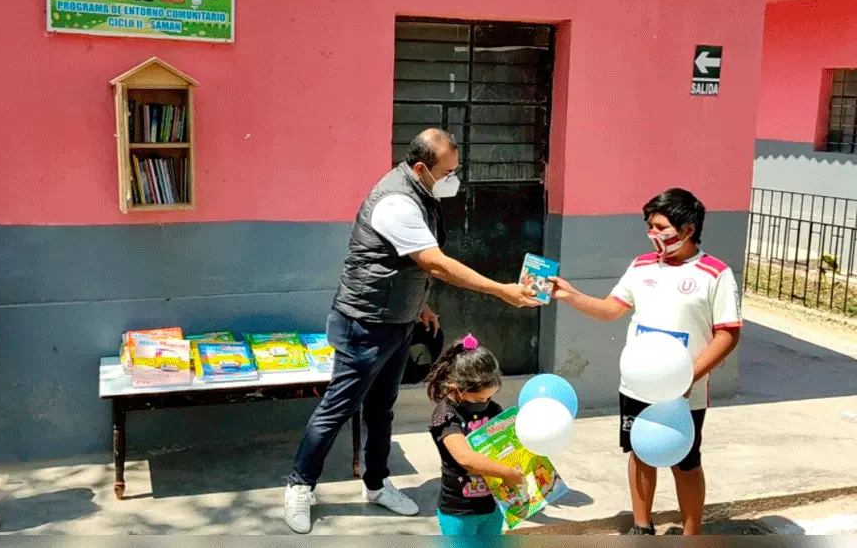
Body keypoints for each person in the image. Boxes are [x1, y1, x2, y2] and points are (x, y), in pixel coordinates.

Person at [283, 129, 540, 534]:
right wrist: (500, 290)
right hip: (364, 324)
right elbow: (434, 262)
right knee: (338, 407)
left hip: (398, 321)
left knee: (382, 407)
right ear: (421, 168)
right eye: (448, 171)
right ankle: (300, 486)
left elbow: (401, 263)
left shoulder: (424, 192)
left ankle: (376, 482)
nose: (454, 179)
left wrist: (420, 304)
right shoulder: (397, 202)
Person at [550, 188, 742, 535]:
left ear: (687, 229)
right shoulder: (641, 266)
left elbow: (727, 335)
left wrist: (688, 378)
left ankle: (691, 531)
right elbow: (611, 310)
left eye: (661, 227)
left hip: (686, 393)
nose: (653, 235)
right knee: (640, 453)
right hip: (637, 386)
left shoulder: (716, 274)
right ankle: (642, 527)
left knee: (685, 462)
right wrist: (571, 295)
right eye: (649, 227)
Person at [426, 334, 520, 536]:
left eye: (489, 396)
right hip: (459, 511)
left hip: (493, 505)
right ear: (456, 388)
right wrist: (507, 473)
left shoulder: (492, 409)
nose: (485, 402)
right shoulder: (446, 416)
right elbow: (465, 458)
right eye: (479, 398)